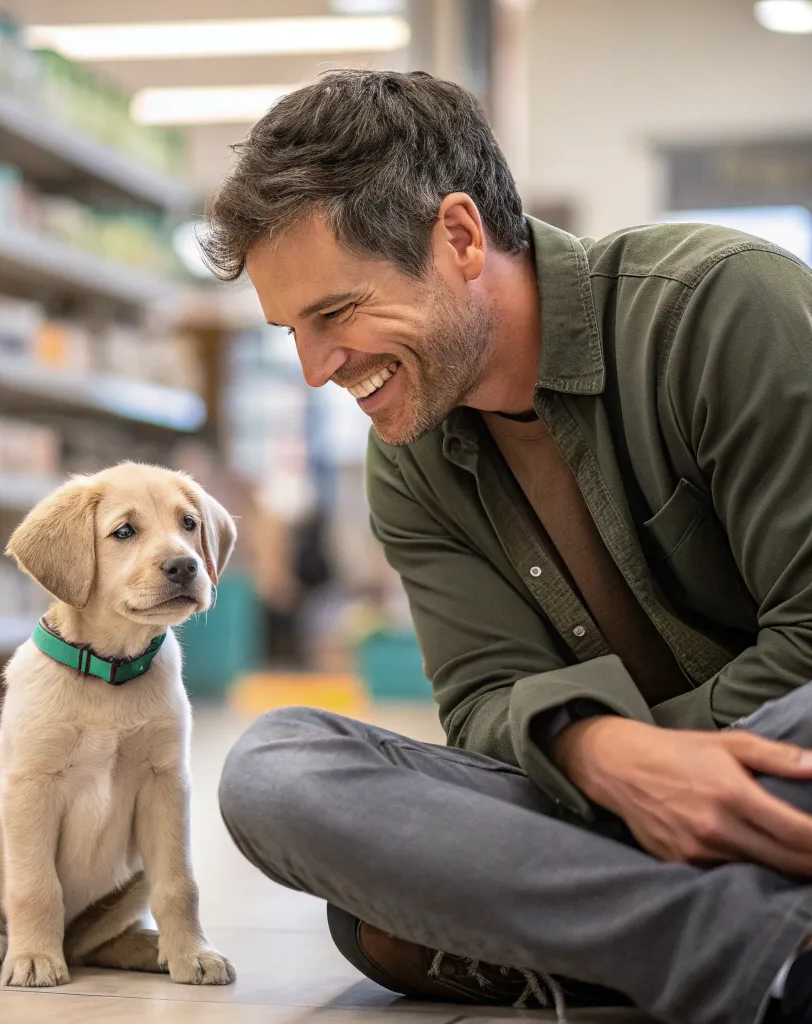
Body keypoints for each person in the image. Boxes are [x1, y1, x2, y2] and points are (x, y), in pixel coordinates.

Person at [204, 69, 812, 1024]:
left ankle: (614, 934)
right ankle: (759, 950)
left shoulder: (716, 305)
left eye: (335, 314)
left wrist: (630, 766)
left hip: (783, 759)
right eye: (291, 331)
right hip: (608, 793)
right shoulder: (408, 457)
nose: (317, 369)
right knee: (278, 771)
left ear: (458, 237)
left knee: (396, 926)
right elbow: (484, 702)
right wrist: (602, 755)